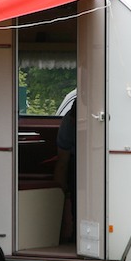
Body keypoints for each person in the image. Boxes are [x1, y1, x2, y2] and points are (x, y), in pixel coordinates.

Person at [54, 101, 76, 242]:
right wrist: (61, 191)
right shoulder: (68, 122)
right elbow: (63, 161)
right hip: (76, 160)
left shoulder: (70, 120)